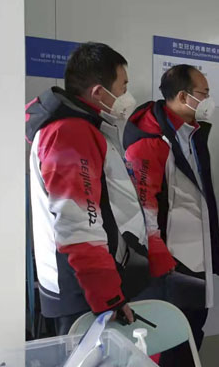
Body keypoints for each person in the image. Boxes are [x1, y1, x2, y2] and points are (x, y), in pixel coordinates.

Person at [26, 42, 146, 335]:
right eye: (123, 86)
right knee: (89, 365)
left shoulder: (84, 128)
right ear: (98, 92)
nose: (127, 94)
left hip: (87, 284)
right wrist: (107, 295)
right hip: (83, 290)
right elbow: (78, 222)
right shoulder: (71, 133)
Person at [123, 64, 219, 367]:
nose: (208, 100)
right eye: (203, 93)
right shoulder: (151, 140)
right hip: (170, 263)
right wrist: (159, 256)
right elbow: (143, 206)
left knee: (192, 333)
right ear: (183, 96)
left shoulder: (191, 133)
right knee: (169, 341)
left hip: (195, 258)